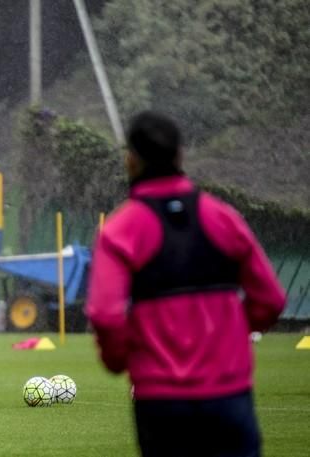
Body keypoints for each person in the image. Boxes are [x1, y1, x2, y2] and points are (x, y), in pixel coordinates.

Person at [85, 111, 286, 457]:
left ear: (130, 161)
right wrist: (234, 335)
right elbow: (270, 299)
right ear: (181, 155)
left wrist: (121, 360)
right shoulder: (222, 217)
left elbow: (105, 314)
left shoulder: (121, 228)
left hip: (161, 399)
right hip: (229, 392)